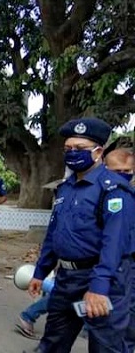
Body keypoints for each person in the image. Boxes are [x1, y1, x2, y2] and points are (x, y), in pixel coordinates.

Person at [28, 117, 135, 352]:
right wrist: (40, 271)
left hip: (102, 280)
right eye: (68, 149)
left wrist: (98, 287)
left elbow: (114, 243)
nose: (72, 153)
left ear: (98, 152)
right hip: (67, 279)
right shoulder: (66, 188)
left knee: (105, 347)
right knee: (52, 343)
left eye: (80, 149)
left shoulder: (113, 189)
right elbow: (55, 233)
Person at [104, 148, 135, 351]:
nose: (122, 175)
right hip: (114, 262)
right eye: (117, 170)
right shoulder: (108, 195)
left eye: (127, 170)